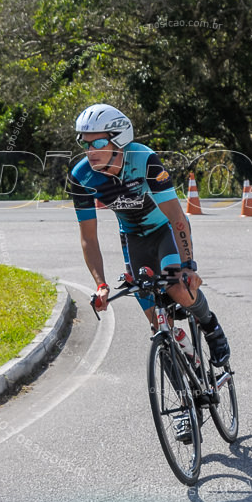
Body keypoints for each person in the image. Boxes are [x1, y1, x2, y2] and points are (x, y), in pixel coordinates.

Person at [68, 104, 230, 368]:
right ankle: (181, 389)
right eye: (84, 144)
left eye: (97, 142)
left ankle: (211, 326)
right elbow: (89, 237)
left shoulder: (145, 161)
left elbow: (177, 218)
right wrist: (100, 284)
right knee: (157, 325)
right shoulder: (81, 176)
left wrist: (188, 267)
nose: (90, 151)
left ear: (118, 140)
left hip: (165, 230)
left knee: (178, 286)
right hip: (133, 237)